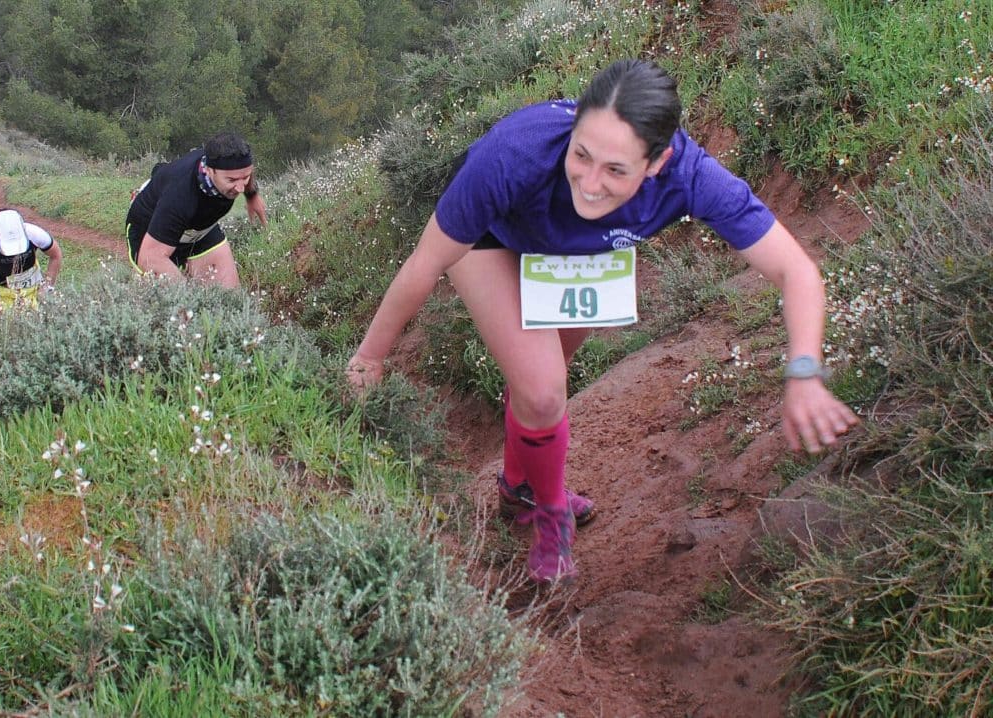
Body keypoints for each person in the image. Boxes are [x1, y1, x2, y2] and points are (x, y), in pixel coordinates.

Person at [345, 59, 859, 583]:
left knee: (545, 378)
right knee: (544, 391)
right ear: (573, 130)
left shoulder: (691, 175)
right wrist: (369, 359)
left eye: (615, 170)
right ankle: (550, 514)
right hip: (494, 240)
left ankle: (518, 485)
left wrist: (804, 370)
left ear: (657, 162)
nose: (589, 183)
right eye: (581, 154)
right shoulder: (514, 152)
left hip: (582, 255)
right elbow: (425, 263)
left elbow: (795, 270)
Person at [125, 132, 268, 287]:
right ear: (209, 170)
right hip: (152, 230)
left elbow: (243, 171)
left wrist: (252, 195)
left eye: (245, 177)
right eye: (231, 180)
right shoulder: (180, 196)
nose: (240, 188)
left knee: (230, 296)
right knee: (173, 305)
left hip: (199, 229)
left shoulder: (227, 167)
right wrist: (187, 297)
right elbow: (150, 257)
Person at [0, 209, 62, 313]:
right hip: (2, 297)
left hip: (34, 290)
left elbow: (56, 255)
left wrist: (47, 287)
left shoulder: (34, 234)